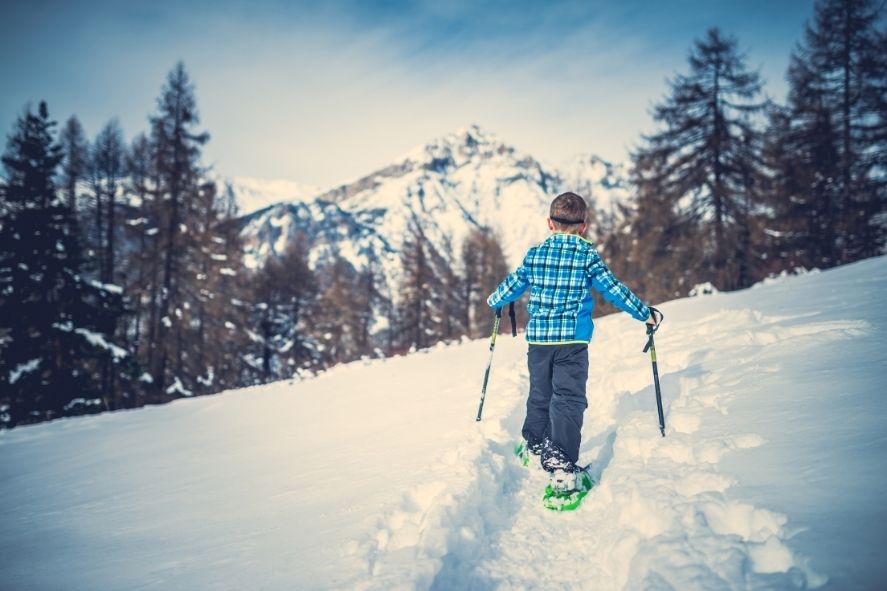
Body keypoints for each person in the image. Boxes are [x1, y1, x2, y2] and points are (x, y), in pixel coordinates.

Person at [487, 191, 659, 492]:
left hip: (539, 342)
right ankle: (561, 464)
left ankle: (535, 443)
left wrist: (495, 300)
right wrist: (644, 314)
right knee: (567, 398)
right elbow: (614, 289)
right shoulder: (586, 255)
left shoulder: (535, 254)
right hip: (571, 342)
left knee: (540, 392)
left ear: (550, 223)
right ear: (584, 226)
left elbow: (509, 288)